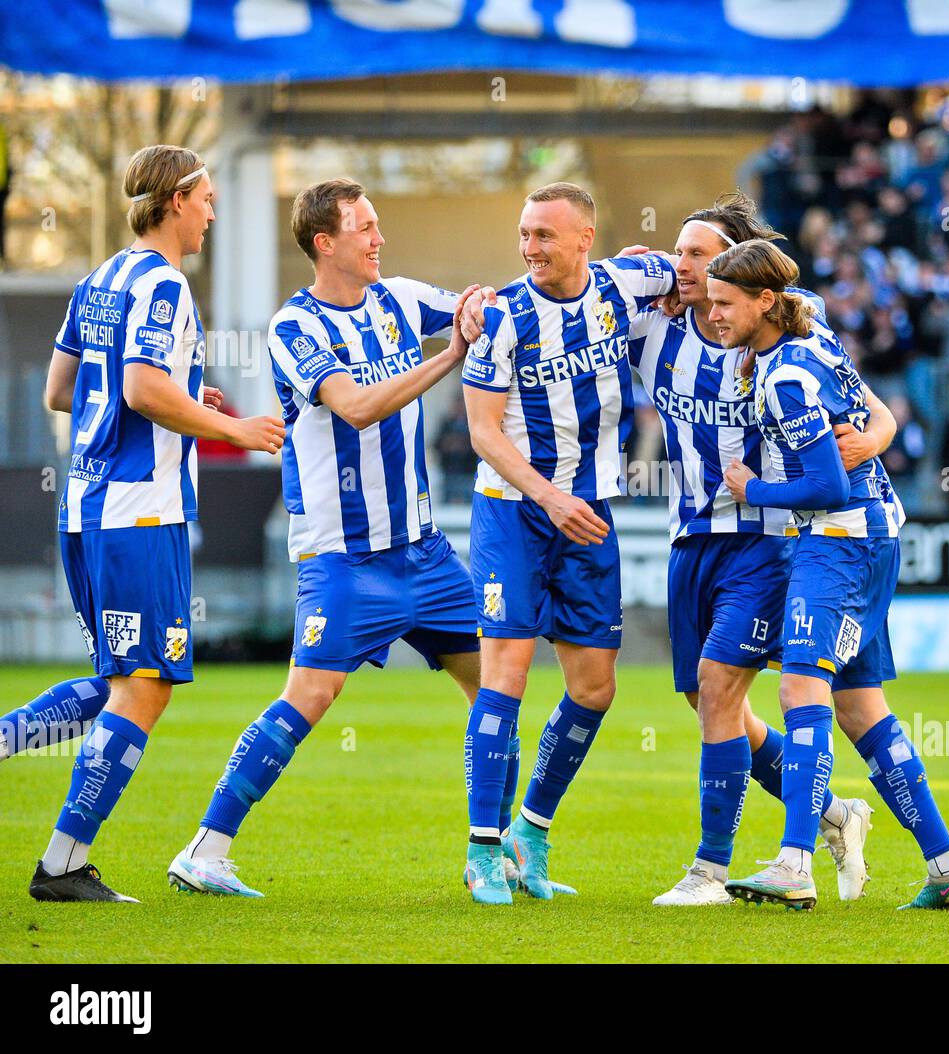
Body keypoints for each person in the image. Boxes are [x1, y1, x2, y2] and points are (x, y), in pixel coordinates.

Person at [166, 178, 480, 897]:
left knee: (496, 687)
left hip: (425, 554)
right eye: (364, 227)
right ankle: (205, 851)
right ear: (324, 243)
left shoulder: (399, 297)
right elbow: (358, 408)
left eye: (377, 224)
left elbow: (476, 308)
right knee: (309, 697)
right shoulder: (293, 328)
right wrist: (447, 359)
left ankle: (493, 851)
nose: (378, 238)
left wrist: (569, 285)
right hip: (343, 559)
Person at [15, 145, 285, 902]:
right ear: (176, 200)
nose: (211, 213)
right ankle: (62, 865)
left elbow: (63, 392)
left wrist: (186, 396)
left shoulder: (99, 278)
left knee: (117, 684)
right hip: (140, 511)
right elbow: (137, 389)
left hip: (85, 507)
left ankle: (8, 745)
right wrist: (227, 429)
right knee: (145, 688)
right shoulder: (165, 284)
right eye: (205, 200)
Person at [619, 192, 894, 906]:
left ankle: (712, 869)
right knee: (705, 697)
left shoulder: (789, 328)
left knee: (720, 686)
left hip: (766, 540)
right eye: (676, 255)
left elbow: (862, 403)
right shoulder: (656, 328)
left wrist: (880, 434)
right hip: (692, 537)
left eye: (698, 256)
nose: (684, 270)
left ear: (742, 272)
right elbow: (585, 291)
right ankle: (832, 813)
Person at [716, 239, 949, 910]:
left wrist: (754, 490)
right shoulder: (811, 319)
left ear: (764, 302)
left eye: (725, 304)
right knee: (862, 709)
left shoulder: (784, 378)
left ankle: (795, 861)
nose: (715, 316)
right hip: (872, 536)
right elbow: (868, 409)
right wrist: (881, 429)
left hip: (837, 543)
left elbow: (826, 484)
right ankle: (948, 867)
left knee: (799, 694)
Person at [457, 182, 676, 905]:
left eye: (545, 236)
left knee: (595, 686)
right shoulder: (504, 318)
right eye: (524, 235)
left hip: (588, 514)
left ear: (586, 239)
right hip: (514, 515)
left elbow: (699, 270)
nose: (530, 249)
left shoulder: (625, 282)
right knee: (506, 678)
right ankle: (482, 848)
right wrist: (549, 495)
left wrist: (681, 281)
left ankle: (532, 830)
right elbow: (482, 431)